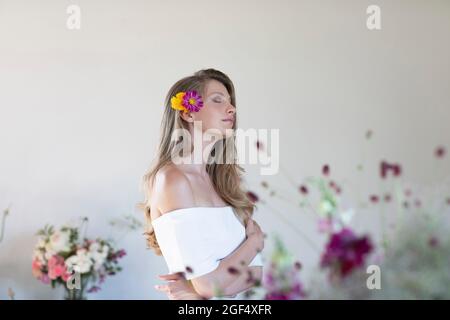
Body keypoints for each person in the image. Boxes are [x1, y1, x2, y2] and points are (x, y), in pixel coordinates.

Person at [139, 69, 265, 300]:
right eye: (217, 100)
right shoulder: (173, 180)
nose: (231, 108)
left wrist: (199, 290)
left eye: (230, 102)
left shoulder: (226, 183)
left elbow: (255, 275)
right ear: (188, 113)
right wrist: (254, 244)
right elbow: (209, 286)